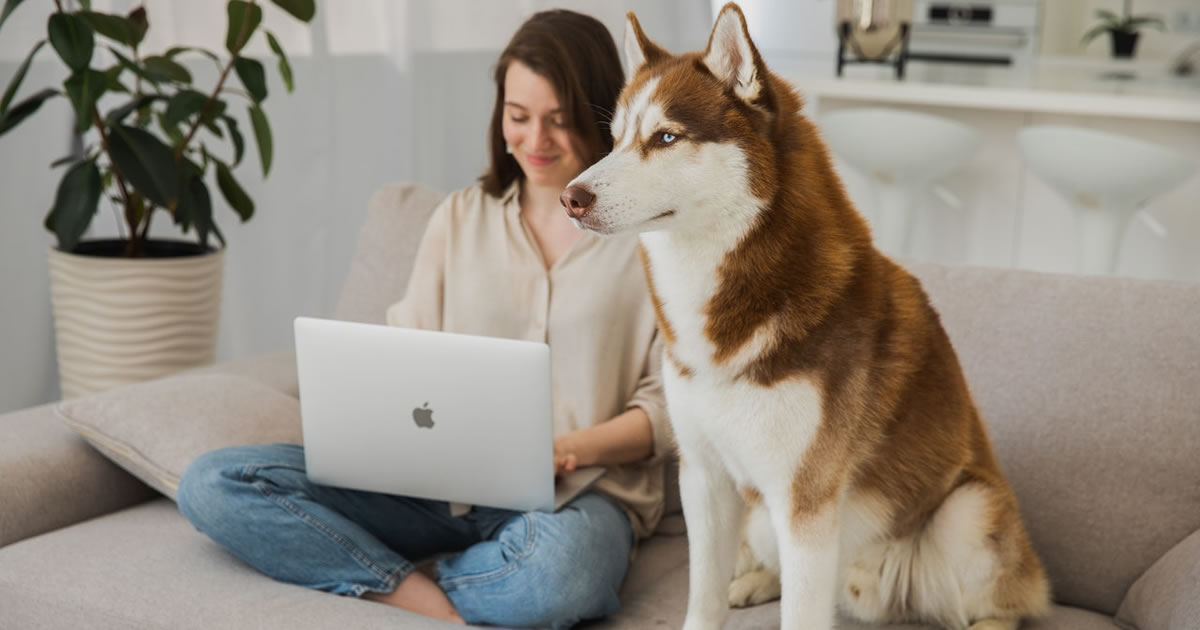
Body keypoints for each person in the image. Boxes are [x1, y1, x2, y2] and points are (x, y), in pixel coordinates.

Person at [176, 10, 672, 629]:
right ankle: (417, 595)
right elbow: (406, 355)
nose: (535, 140)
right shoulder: (460, 217)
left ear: (603, 115)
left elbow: (669, 407)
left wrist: (564, 449)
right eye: (518, 117)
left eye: (560, 120)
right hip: (439, 491)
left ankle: (404, 582)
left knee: (556, 578)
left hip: (580, 497)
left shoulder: (653, 242)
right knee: (213, 483)